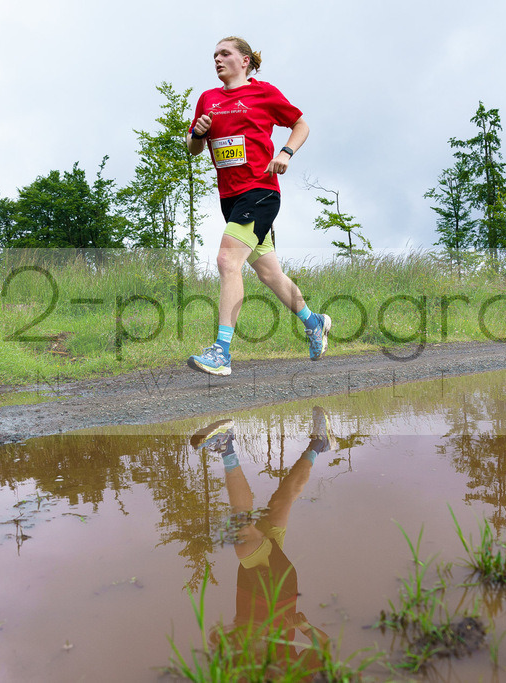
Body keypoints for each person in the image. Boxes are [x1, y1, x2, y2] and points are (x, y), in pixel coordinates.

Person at [186, 36, 331, 377]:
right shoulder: (208, 99)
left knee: (226, 260)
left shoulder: (263, 93)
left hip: (261, 192)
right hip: (230, 198)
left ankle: (221, 351)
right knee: (270, 274)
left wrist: (285, 153)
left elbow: (301, 124)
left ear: (246, 60)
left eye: (225, 54)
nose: (218, 60)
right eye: (214, 55)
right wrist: (198, 132)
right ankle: (314, 322)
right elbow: (192, 148)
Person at [189, 407, 334, 673]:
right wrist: (304, 627)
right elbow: (324, 651)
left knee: (281, 501)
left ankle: (319, 443)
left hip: (248, 592)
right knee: (242, 532)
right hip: (280, 592)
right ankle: (226, 446)